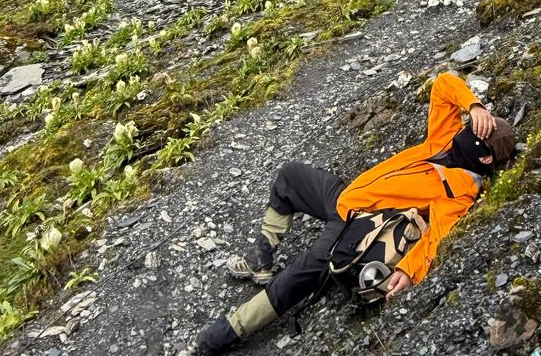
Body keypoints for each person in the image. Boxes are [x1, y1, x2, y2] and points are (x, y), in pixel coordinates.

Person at [193, 72, 516, 354]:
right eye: (472, 124)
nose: (467, 129)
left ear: (485, 158)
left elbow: (436, 237)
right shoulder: (443, 138)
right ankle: (261, 257)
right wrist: (474, 105)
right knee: (290, 176)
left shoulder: (459, 191)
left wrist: (409, 271)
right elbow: (444, 84)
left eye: (475, 131)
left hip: (358, 225)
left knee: (297, 275)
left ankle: (221, 336)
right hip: (345, 198)